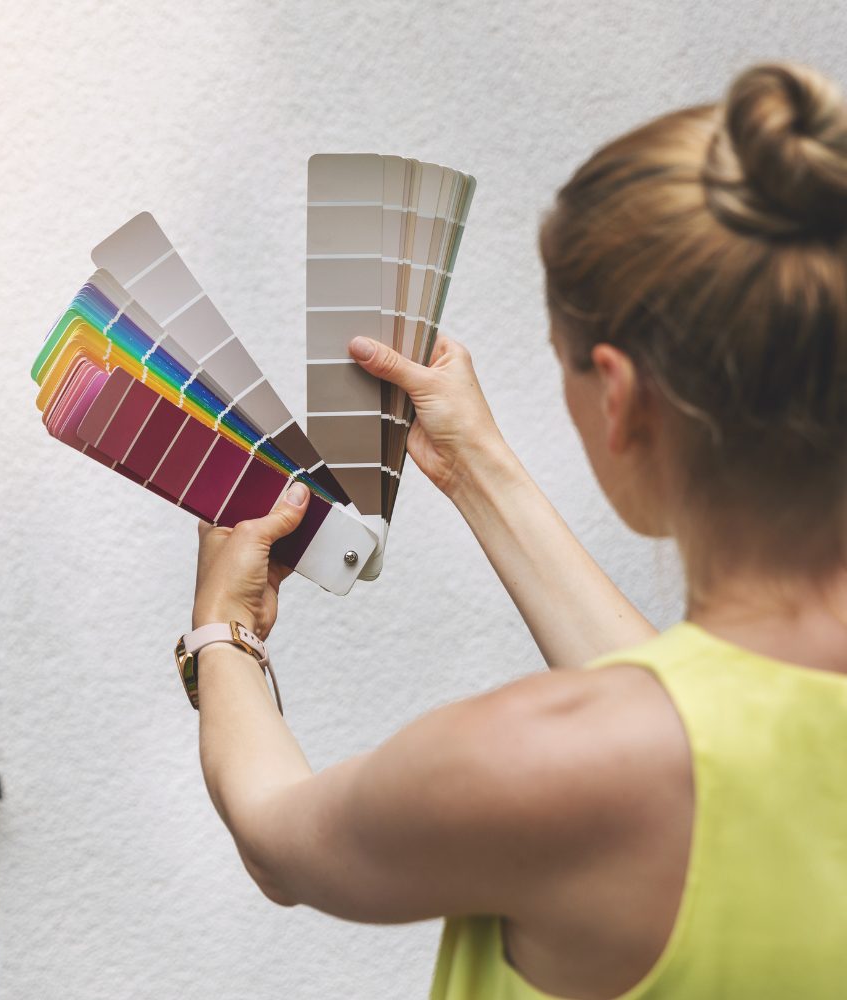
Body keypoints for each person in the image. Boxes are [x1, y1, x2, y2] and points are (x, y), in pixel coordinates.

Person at [188, 61, 847, 999]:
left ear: (616, 396)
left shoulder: (540, 765)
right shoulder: (707, 740)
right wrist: (474, 466)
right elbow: (704, 715)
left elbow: (275, 836)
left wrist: (224, 629)